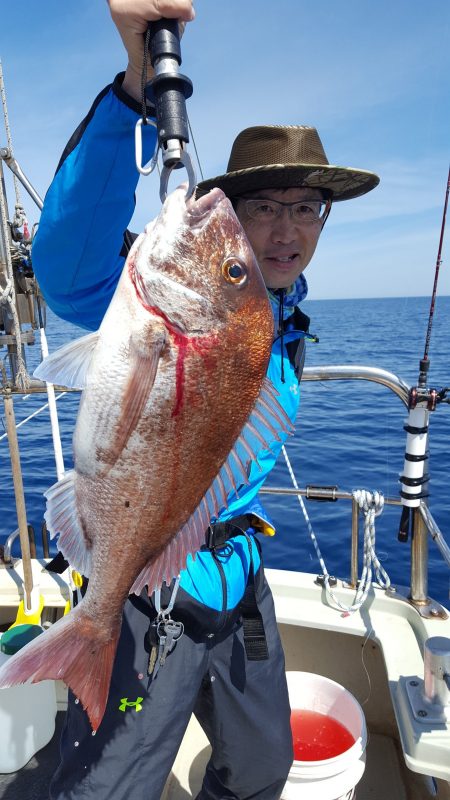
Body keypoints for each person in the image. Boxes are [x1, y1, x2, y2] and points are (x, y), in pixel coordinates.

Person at [32, 2, 380, 799]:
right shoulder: (167, 299)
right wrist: (131, 91)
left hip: (239, 574)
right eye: (263, 206)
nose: (286, 229)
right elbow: (66, 265)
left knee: (264, 766)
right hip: (152, 588)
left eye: (306, 207)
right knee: (104, 786)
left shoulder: (280, 320)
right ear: (233, 213)